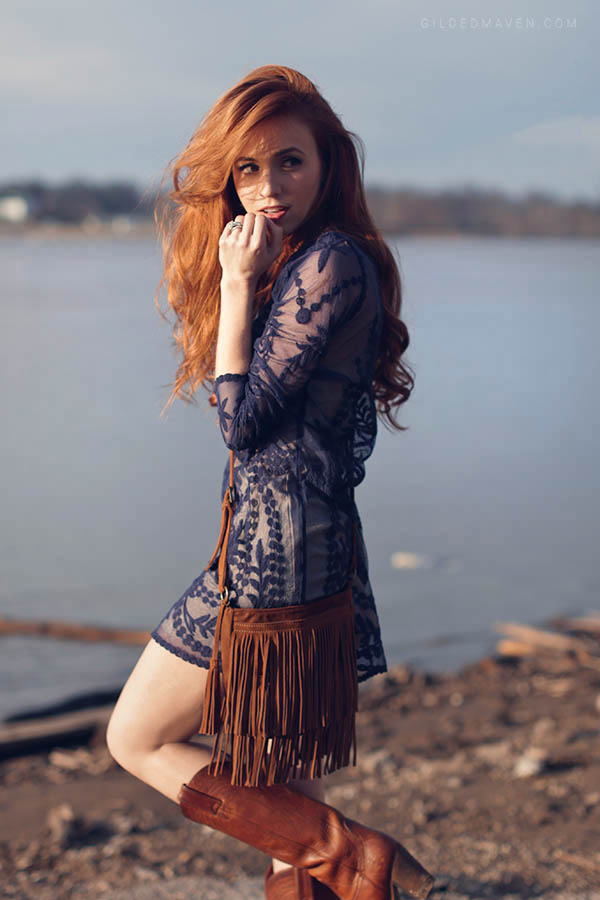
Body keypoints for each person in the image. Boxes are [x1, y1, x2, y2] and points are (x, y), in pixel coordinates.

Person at [106, 64, 434, 900]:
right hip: (293, 545)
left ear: (327, 161)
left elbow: (241, 424)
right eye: (247, 170)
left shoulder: (326, 265)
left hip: (278, 560)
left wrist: (241, 286)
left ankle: (355, 858)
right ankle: (325, 863)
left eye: (288, 161)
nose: (267, 189)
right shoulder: (313, 257)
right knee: (279, 783)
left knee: (136, 737)